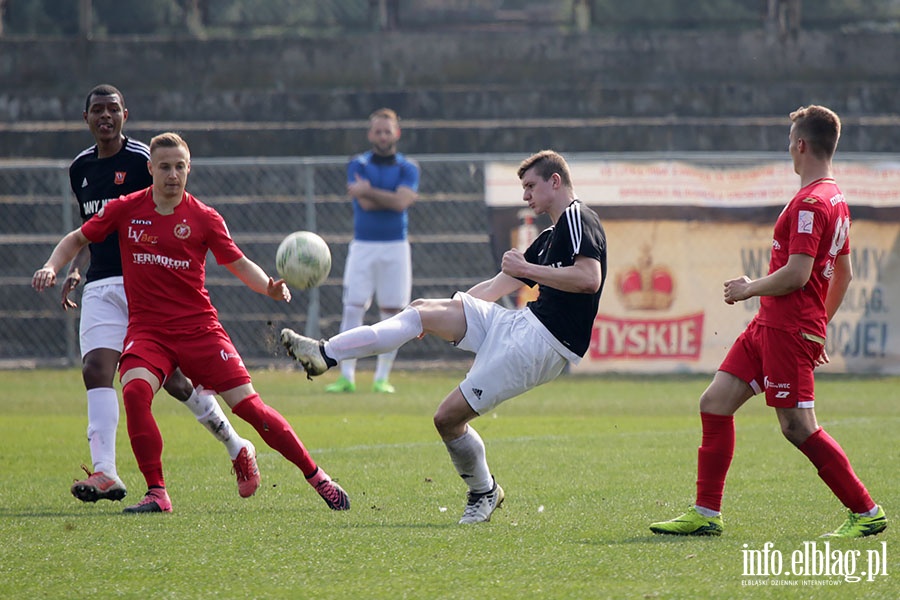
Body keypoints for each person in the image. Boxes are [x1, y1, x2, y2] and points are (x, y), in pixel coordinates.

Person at [282, 150, 606, 523]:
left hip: (542, 345)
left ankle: (484, 491)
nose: (525, 196)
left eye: (531, 186)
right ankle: (326, 353)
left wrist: (528, 267)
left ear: (555, 181)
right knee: (420, 310)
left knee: (447, 419)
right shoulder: (550, 235)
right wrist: (450, 311)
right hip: (520, 323)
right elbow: (498, 285)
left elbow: (589, 279)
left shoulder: (579, 218)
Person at [33, 132, 349, 514]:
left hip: (200, 331)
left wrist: (268, 286)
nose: (172, 174)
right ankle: (157, 492)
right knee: (135, 392)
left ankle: (319, 478)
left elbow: (238, 262)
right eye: (164, 166)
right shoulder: (126, 208)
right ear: (150, 169)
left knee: (250, 409)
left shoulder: (204, 217)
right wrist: (52, 266)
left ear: (189, 169)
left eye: (180, 166)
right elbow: (76, 238)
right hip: (148, 332)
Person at [650, 105, 887, 539]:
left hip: (785, 327)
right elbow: (845, 273)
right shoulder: (835, 198)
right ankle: (706, 513)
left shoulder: (812, 203)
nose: (788, 150)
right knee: (715, 402)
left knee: (797, 427)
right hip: (774, 325)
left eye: (789, 142)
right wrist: (819, 325)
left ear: (800, 144)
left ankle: (866, 510)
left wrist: (748, 287)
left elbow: (798, 274)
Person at [61, 84, 258, 504]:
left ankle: (234, 443)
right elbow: (91, 229)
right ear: (86, 118)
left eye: (113, 109)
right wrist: (73, 269)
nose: (105, 117)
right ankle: (106, 472)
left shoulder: (142, 160)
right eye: (97, 110)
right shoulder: (79, 168)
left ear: (125, 115)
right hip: (100, 282)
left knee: (175, 381)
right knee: (97, 370)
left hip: (146, 286)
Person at [325, 107, 420, 394]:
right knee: (353, 307)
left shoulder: (408, 167)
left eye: (387, 131)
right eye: (377, 131)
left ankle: (382, 378)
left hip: (396, 247)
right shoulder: (358, 164)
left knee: (392, 312)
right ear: (370, 134)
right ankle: (347, 376)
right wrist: (386, 198)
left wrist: (369, 192)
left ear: (396, 133)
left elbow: (401, 203)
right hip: (363, 246)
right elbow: (367, 204)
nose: (382, 135)